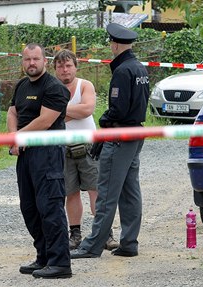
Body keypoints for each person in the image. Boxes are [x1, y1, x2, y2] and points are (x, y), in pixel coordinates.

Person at [70, 23, 149, 259]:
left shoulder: (123, 71)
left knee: (106, 193)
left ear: (115, 44)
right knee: (129, 191)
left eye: (110, 43)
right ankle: (129, 242)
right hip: (135, 135)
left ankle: (92, 245)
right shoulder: (140, 68)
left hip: (119, 136)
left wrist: (104, 120)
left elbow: (118, 110)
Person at [7, 43, 72, 279]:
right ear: (22, 61)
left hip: (47, 154)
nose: (31, 64)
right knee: (30, 208)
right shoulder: (22, 85)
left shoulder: (54, 87)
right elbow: (13, 112)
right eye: (27, 60)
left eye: (36, 59)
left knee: (50, 208)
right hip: (25, 155)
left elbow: (45, 120)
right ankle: (43, 257)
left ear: (45, 61)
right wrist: (15, 136)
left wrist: (20, 135)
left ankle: (60, 263)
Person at [52, 49, 119, 251]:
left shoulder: (85, 85)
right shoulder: (52, 88)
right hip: (63, 147)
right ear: (54, 69)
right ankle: (75, 235)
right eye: (60, 66)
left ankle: (105, 234)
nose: (65, 70)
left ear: (75, 66)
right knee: (69, 193)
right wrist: (73, 111)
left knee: (96, 191)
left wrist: (60, 112)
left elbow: (87, 109)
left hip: (90, 147)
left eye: (68, 65)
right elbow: (49, 115)